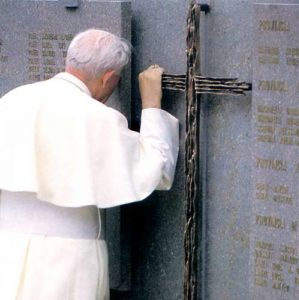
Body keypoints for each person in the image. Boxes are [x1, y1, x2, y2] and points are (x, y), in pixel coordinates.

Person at [0, 29, 179, 299]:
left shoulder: (12, 100)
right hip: (69, 260)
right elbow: (155, 168)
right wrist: (152, 104)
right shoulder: (99, 117)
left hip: (7, 252)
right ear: (108, 78)